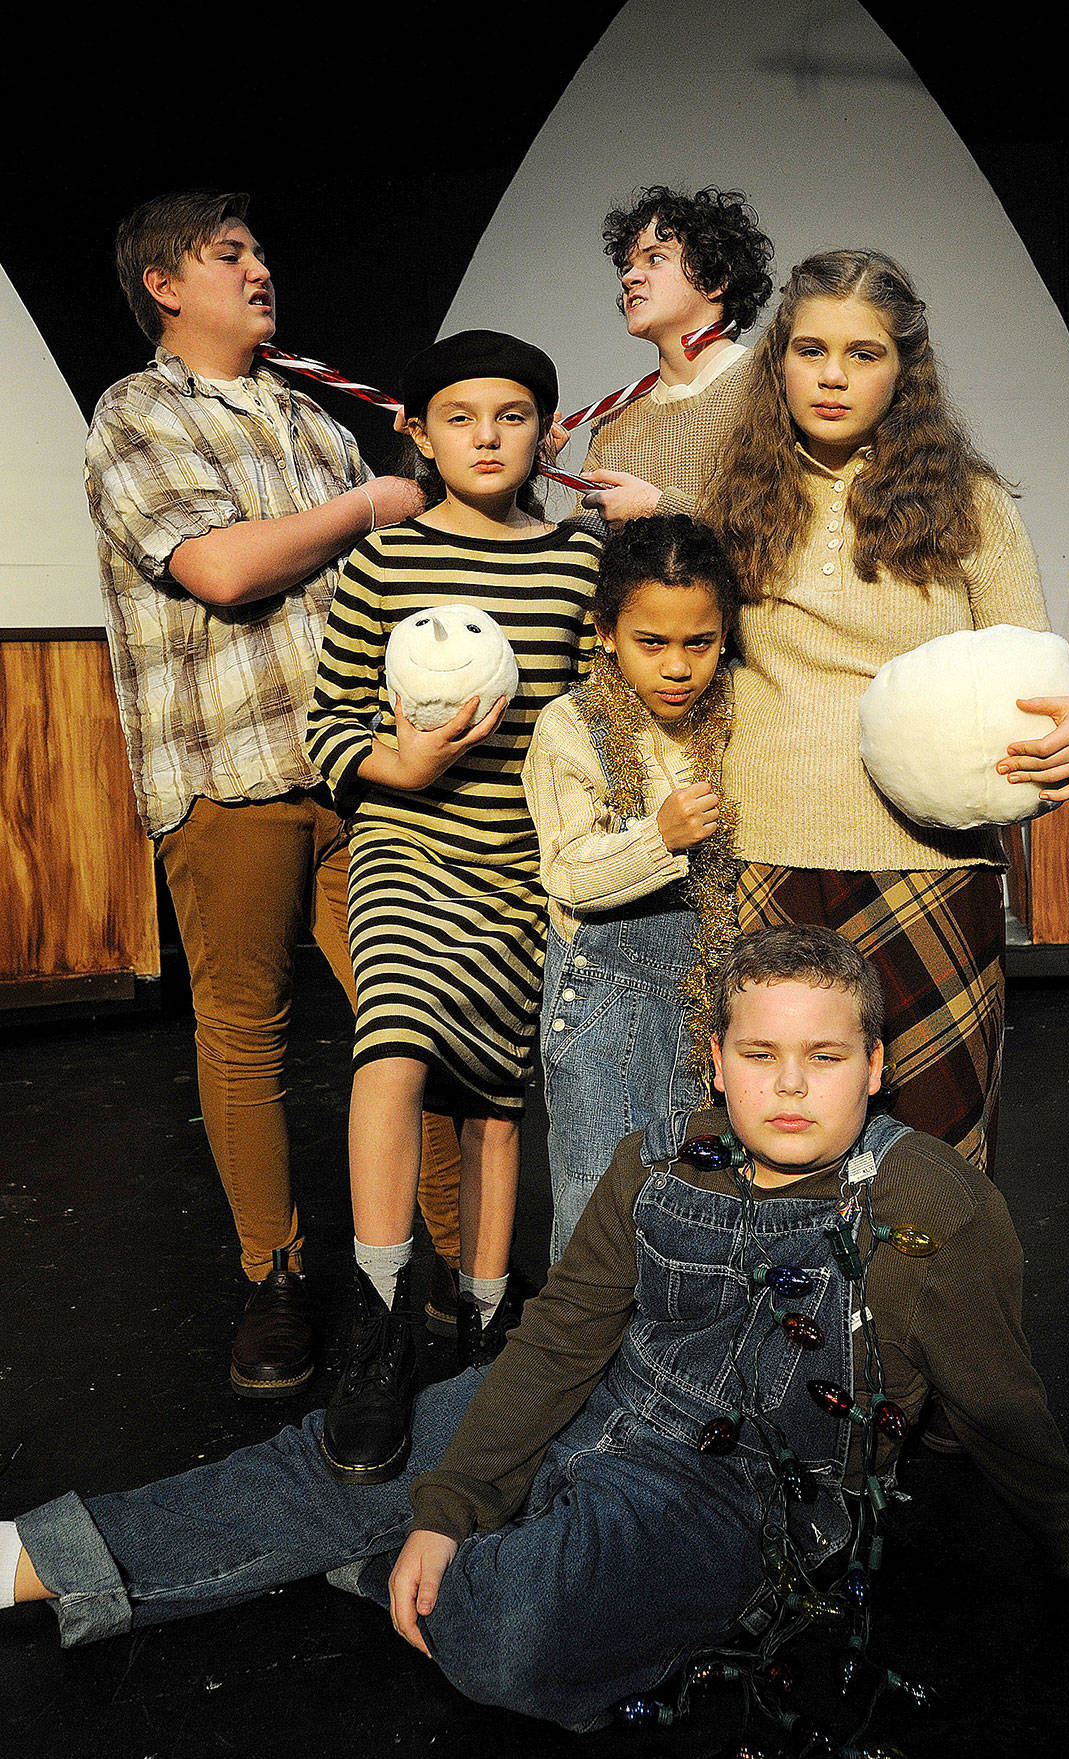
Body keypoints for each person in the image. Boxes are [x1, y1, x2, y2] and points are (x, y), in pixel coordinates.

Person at [2, 928, 1069, 1738]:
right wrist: (447, 1500)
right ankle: (33, 1556)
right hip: (599, 1404)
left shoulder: (924, 1201)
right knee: (341, 1463)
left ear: (875, 1065)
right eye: (759, 1056)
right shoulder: (656, 1159)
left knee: (518, 1635)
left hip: (738, 1490)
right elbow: (552, 1345)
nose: (791, 1084)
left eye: (824, 1056)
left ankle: (398, 1568)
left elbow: (998, 1398)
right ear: (715, 1059)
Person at [85, 189, 461, 1401]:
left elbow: (389, 575)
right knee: (243, 1031)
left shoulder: (310, 419)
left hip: (357, 770)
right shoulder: (136, 414)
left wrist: (430, 467)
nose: (259, 272)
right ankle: (276, 1277)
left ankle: (456, 1265)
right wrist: (369, 501)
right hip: (226, 771)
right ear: (163, 284)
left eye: (259, 254)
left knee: (415, 1014)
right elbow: (224, 566)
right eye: (228, 254)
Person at [700, 249, 1069, 1177]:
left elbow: (1049, 675)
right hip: (766, 853)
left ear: (906, 370)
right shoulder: (734, 498)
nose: (831, 375)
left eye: (864, 353)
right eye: (810, 349)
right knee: (777, 1150)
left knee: (933, 1152)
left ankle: (915, 1329)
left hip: (927, 864)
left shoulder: (965, 503)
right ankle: (795, 1329)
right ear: (777, 357)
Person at [304, 330, 600, 1482]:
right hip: (409, 851)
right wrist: (404, 764)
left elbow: (589, 722)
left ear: (546, 431)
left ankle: (481, 1324)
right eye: (461, 416)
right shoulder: (385, 560)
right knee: (393, 1045)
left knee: (494, 1098)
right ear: (417, 434)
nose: (487, 436)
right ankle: (376, 1321)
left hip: (524, 869)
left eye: (512, 415)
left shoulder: (576, 563)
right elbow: (327, 724)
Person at [522, 513, 740, 1258]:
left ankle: (672, 1368)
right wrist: (659, 837)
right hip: (606, 1003)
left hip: (703, 995)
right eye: (652, 643)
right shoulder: (571, 726)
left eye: (698, 643)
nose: (677, 667)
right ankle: (580, 1370)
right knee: (598, 1204)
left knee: (694, 1198)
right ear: (607, 632)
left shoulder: (730, 720)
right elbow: (567, 870)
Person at [552, 185, 773, 527]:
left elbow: (777, 530)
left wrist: (656, 509)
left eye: (655, 259)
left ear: (714, 280)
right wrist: (525, 473)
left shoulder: (767, 386)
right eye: (627, 266)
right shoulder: (616, 419)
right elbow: (582, 547)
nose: (629, 277)